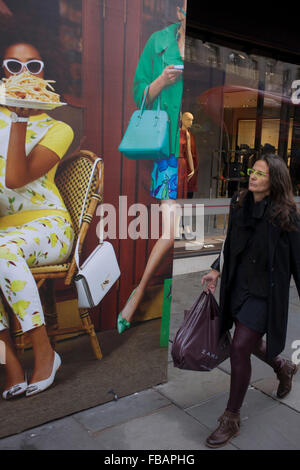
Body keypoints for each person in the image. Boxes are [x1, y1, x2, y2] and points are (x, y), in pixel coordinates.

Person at [201, 154, 300, 448]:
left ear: (275, 181)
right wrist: (215, 269)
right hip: (238, 286)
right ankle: (283, 367)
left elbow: (298, 261)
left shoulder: (287, 215)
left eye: (260, 173)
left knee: (241, 345)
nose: (252, 176)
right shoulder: (239, 203)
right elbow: (231, 243)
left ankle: (231, 418)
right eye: (251, 171)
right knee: (248, 341)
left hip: (265, 293)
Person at [0, 39, 74, 399]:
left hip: (49, 226)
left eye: (33, 66)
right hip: (3, 231)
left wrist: (18, 116)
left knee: (2, 253)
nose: (23, 74)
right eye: (14, 66)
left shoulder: (58, 128)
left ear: (45, 74)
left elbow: (15, 178)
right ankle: (9, 361)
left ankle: (44, 352)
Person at [117, 1, 187, 333]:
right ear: (178, 11)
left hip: (198, 151)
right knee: (172, 231)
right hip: (170, 150)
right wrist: (160, 81)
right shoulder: (159, 43)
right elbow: (138, 94)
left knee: (197, 235)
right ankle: (140, 291)